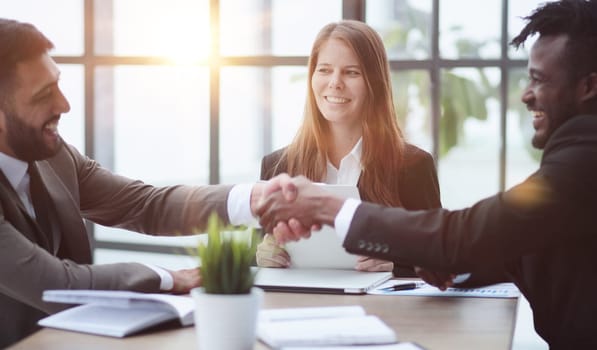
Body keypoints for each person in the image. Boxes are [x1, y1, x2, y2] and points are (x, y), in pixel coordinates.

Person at [257, 0, 597, 348]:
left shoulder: (585, 158)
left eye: (538, 80)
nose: (526, 95)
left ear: (588, 87)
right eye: (324, 70)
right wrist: (440, 263)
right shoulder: (577, 156)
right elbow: (509, 248)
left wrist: (328, 208)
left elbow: (468, 233)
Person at [0, 18, 263, 346]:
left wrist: (256, 201)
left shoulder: (55, 156)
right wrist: (168, 278)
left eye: (58, 84)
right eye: (43, 96)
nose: (64, 105)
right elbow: (57, 284)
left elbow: (144, 205)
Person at [256, 20, 441, 275]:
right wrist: (264, 256)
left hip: (385, 310)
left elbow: (439, 258)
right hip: (298, 305)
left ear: (374, 82)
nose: (335, 82)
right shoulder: (278, 166)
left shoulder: (412, 166)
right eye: (324, 70)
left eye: (351, 72)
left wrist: (397, 264)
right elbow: (263, 247)